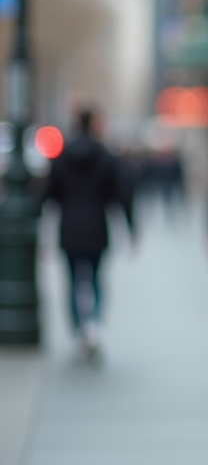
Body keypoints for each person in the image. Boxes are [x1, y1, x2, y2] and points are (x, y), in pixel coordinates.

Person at [40, 107, 136, 361]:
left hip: (69, 226)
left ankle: (77, 329)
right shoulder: (105, 156)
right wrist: (131, 226)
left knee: (72, 281)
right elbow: (120, 194)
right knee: (95, 280)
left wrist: (39, 224)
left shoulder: (61, 156)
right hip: (96, 226)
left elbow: (48, 194)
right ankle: (92, 325)